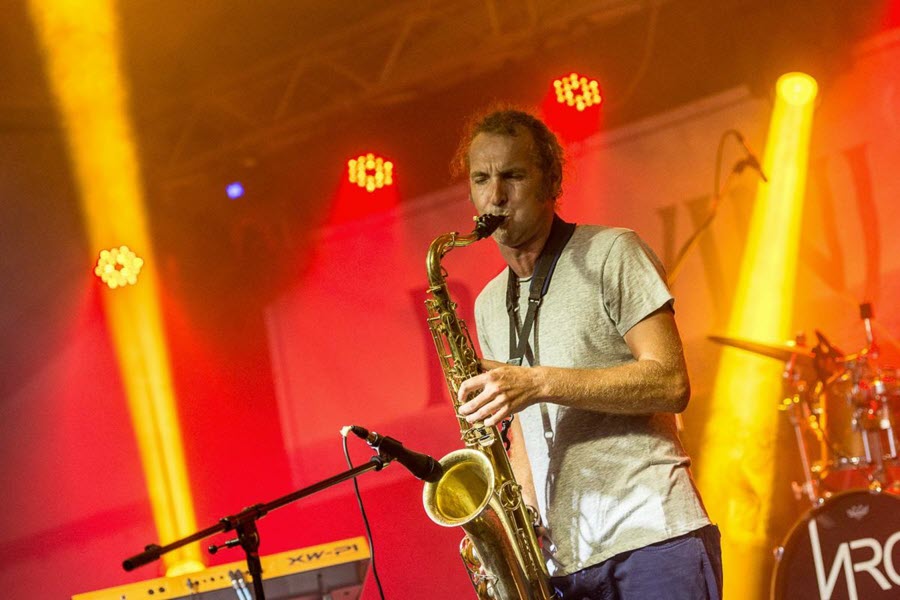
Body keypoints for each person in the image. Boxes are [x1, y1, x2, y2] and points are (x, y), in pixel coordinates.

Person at [453, 108, 722, 600]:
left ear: (551, 181)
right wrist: (517, 523)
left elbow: (671, 382)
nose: (495, 196)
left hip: (653, 535)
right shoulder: (489, 303)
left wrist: (539, 382)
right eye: (481, 179)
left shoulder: (612, 251)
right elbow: (522, 433)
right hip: (567, 562)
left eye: (513, 175)